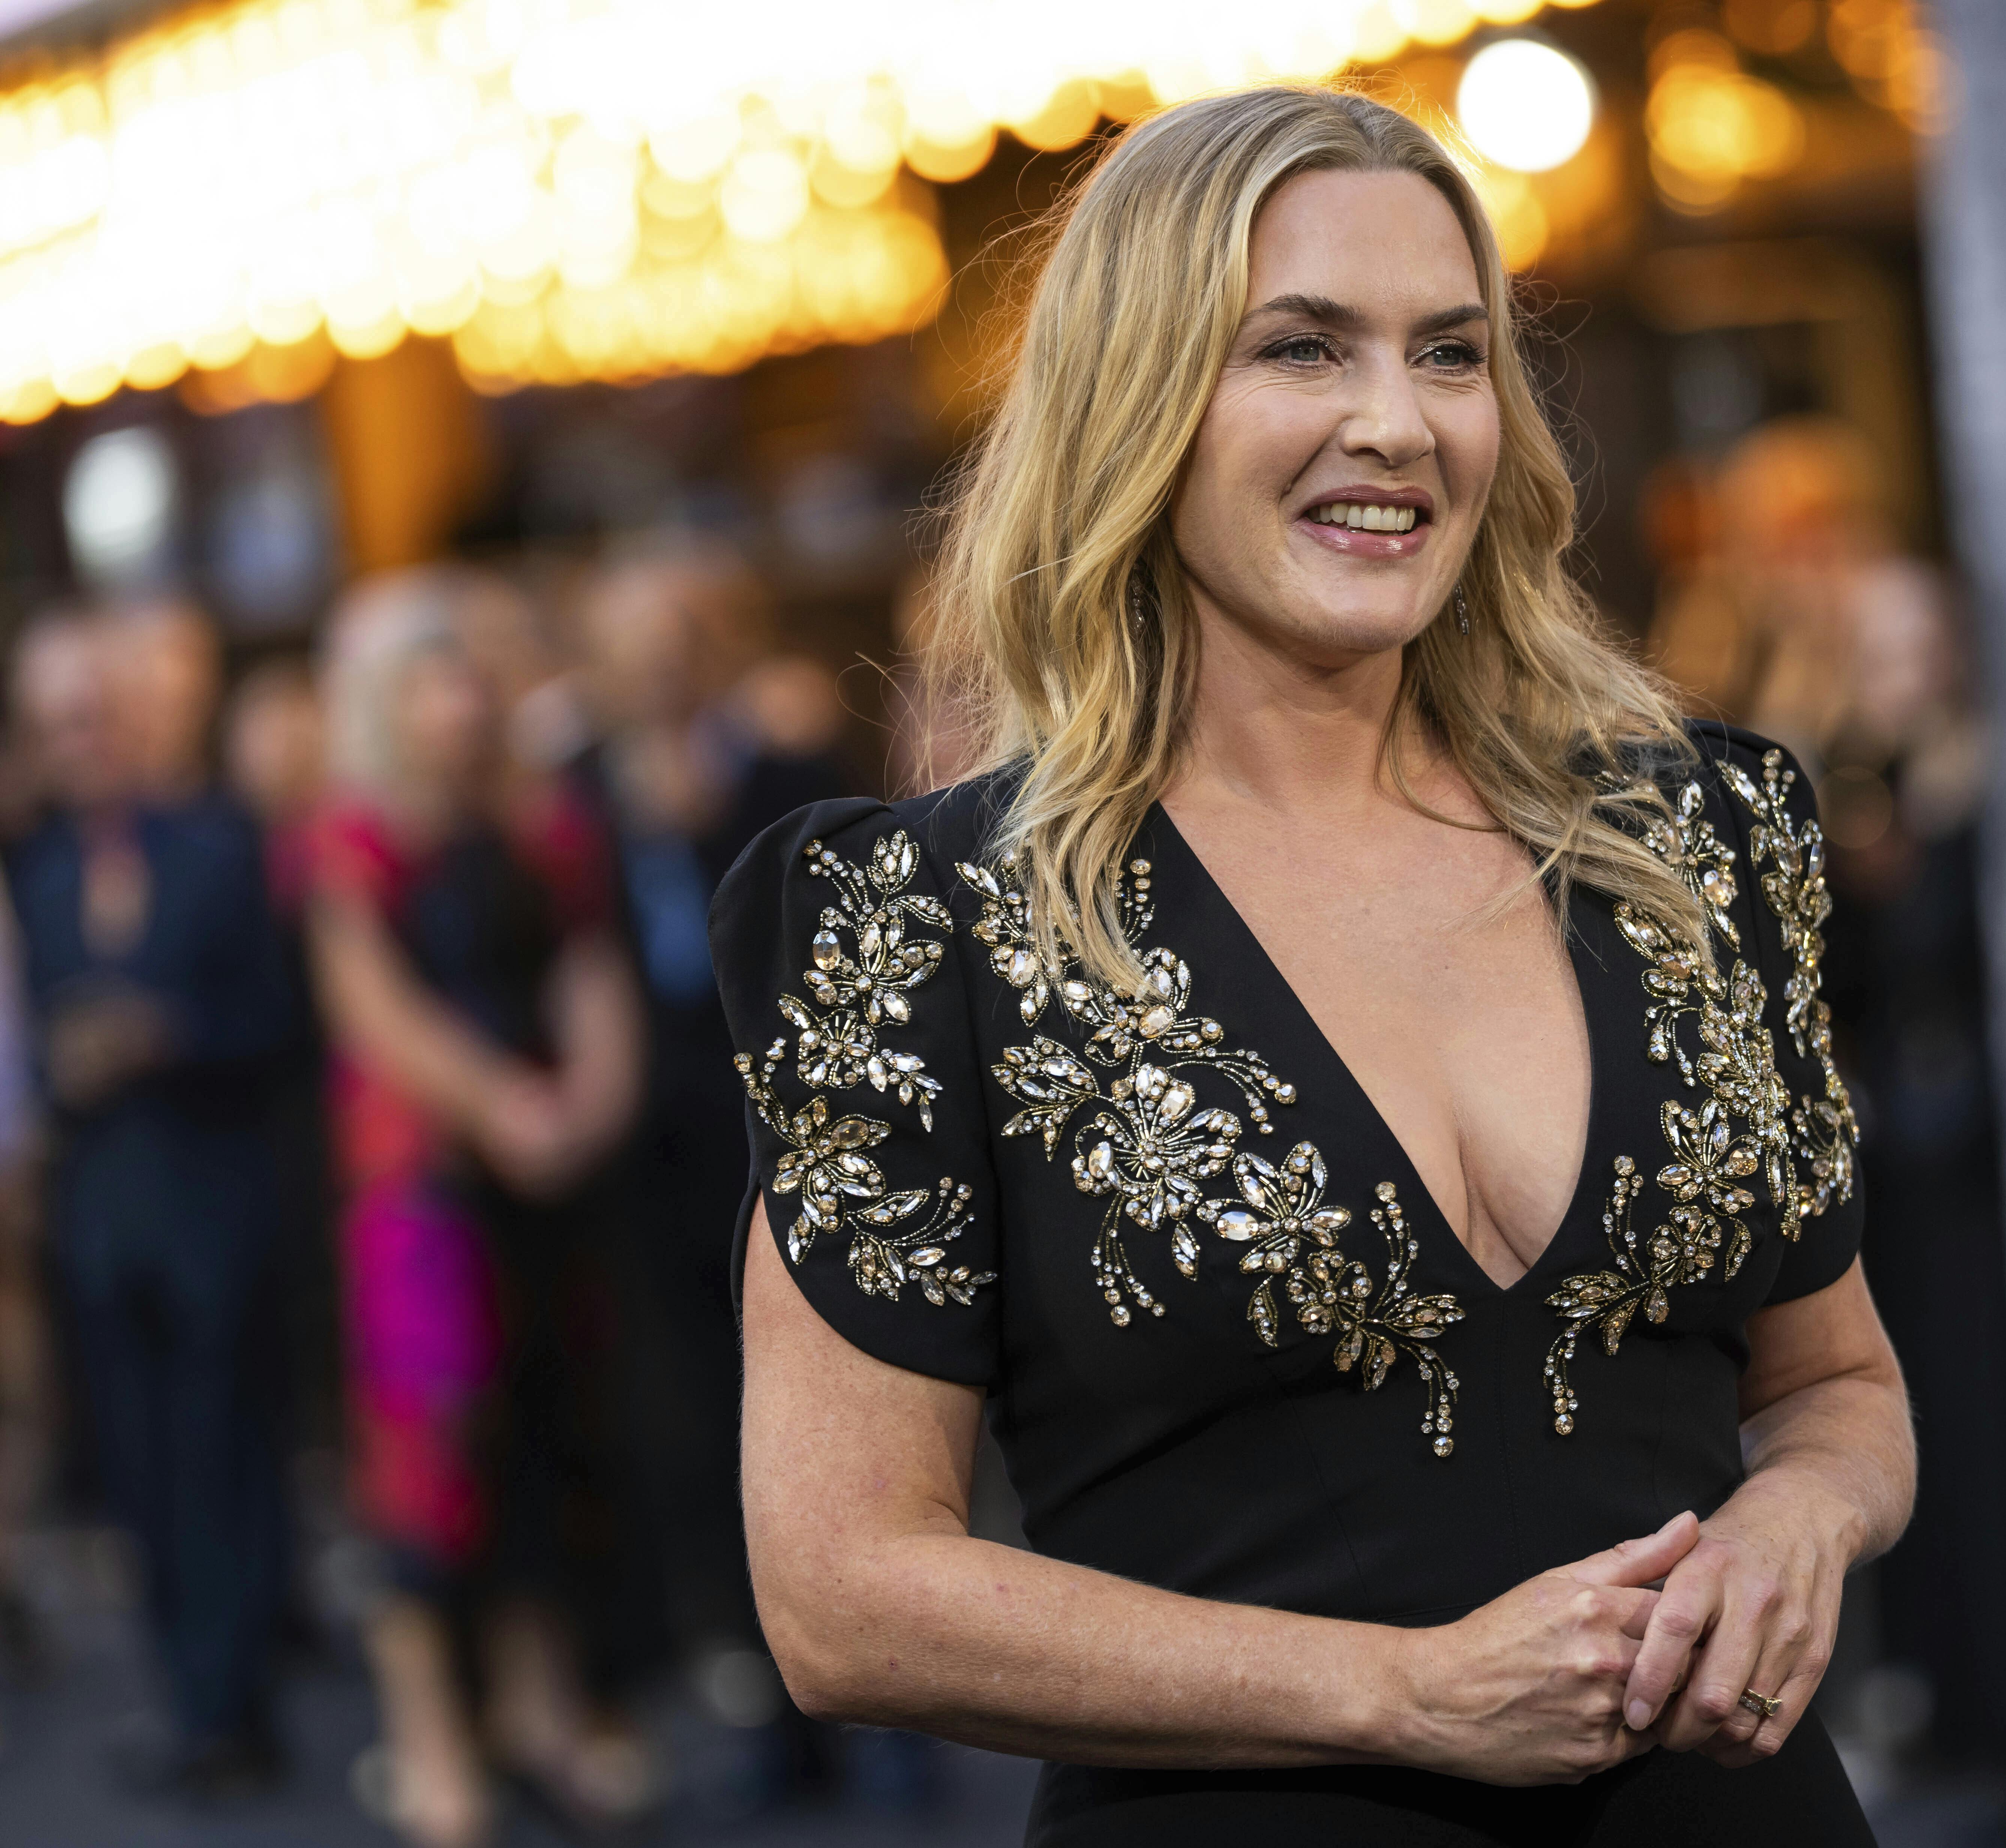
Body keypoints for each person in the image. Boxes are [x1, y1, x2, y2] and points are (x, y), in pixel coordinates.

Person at [723, 87, 1915, 1845]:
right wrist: (1404, 1696)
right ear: (1140, 406)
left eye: (1450, 354)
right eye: (1300, 350)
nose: (1397, 424)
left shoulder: (1693, 849)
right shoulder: (932, 926)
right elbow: (843, 1593)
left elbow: (1839, 1388)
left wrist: (1798, 1523)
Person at [304, 568, 649, 1848]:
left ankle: (536, 1711)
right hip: (424, 1201)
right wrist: (507, 1107)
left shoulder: (541, 820)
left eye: (467, 679)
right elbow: (375, 1010)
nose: (457, 703)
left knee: (545, 1442)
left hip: (544, 1186)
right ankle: (430, 1740)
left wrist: (585, 1102)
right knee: (422, 1469)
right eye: (428, 683)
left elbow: (589, 972)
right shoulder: (354, 836)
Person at [7, 606, 297, 1797]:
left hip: (217, 1201)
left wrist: (165, 1033)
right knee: (140, 1468)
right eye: (61, 724)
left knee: (228, 1451)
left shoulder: (222, 846)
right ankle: (190, 1696)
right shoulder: (42, 869)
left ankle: (237, 1702)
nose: (85, 739)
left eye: (99, 716)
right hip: (105, 1216)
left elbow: (280, 1022)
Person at [572, 540, 845, 1776]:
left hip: (787, 1126)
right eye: (631, 644)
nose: (655, 666)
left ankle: (859, 1718)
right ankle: (756, 1686)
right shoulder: (574, 790)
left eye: (675, 638)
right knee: (694, 1422)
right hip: (649, 1150)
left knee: (827, 1415)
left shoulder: (789, 767)